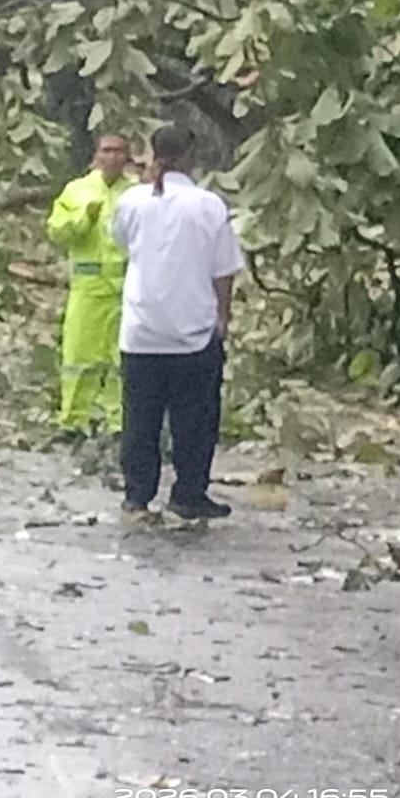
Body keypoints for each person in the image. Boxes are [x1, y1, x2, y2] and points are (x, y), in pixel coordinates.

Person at [112, 124, 245, 521]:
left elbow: (121, 241)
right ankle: (188, 493)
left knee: (140, 418)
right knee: (195, 420)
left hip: (141, 329)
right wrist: (223, 316)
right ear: (191, 155)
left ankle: (137, 496)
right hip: (192, 331)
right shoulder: (208, 206)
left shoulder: (132, 201)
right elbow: (224, 270)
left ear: (152, 154)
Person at [47, 133, 135, 437]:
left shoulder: (137, 192)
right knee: (79, 357)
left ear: (128, 157)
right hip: (87, 288)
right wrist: (84, 218)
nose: (112, 157)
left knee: (121, 361)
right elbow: (57, 232)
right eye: (106, 151)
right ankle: (72, 422)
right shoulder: (77, 190)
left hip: (127, 290)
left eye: (119, 151)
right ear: (96, 155)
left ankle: (119, 423)